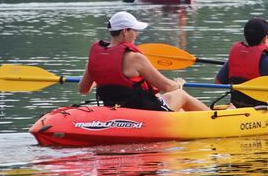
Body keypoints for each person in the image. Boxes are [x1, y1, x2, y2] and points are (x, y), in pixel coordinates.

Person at [79, 11, 209, 112]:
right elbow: (167, 87)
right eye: (135, 30)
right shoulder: (135, 58)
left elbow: (83, 89)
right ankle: (215, 118)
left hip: (116, 108)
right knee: (180, 95)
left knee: (170, 102)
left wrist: (105, 75)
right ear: (125, 31)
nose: (137, 34)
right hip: (143, 112)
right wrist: (178, 84)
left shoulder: (96, 56)